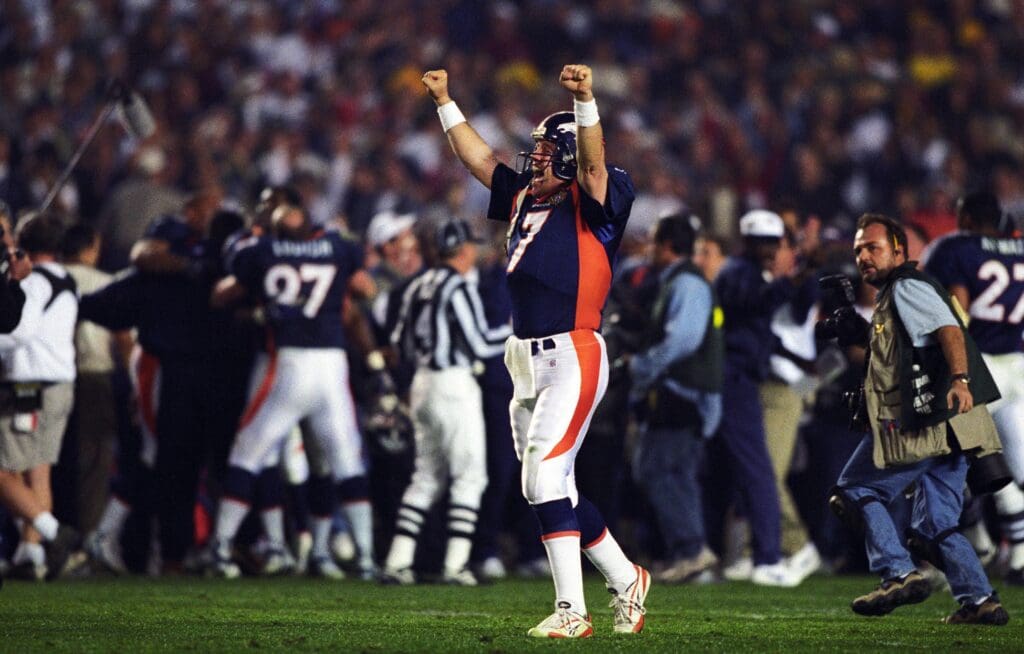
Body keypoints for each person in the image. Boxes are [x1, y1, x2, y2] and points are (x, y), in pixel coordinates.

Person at [423, 63, 650, 638]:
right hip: (523, 356)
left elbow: (596, 164)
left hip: (573, 353)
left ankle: (573, 612)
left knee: (546, 481)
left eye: (549, 148)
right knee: (551, 486)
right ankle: (626, 580)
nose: (538, 157)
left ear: (572, 153)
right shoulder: (527, 194)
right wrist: (447, 102)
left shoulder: (598, 195)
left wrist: (587, 101)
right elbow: (479, 161)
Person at [826, 212, 1008, 625]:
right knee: (934, 524)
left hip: (928, 420)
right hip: (954, 423)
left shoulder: (906, 286)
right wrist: (861, 336)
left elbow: (948, 330)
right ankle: (980, 600)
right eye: (858, 250)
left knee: (853, 489)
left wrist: (959, 379)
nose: (863, 256)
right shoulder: (899, 293)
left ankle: (898, 572)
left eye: (873, 247)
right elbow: (908, 353)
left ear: (899, 251)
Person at [207, 202, 377, 581]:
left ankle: (220, 547)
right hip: (331, 365)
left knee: (247, 452)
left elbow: (227, 288)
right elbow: (366, 287)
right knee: (346, 459)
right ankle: (365, 557)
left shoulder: (260, 250)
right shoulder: (337, 245)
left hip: (288, 362)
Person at [381, 219, 511, 586]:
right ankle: (455, 565)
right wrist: (514, 332)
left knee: (426, 475)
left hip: (422, 383)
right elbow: (482, 345)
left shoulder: (416, 285)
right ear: (464, 249)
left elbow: (399, 344)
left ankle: (397, 561)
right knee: (471, 476)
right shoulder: (460, 286)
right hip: (454, 384)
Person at [922, 190, 1024, 583]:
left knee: (953, 461)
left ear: (966, 217)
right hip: (1018, 362)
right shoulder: (1017, 248)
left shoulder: (956, 248)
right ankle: (1009, 554)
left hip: (980, 368)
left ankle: (985, 543)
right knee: (1010, 468)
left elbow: (956, 311)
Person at [629, 213, 723, 583]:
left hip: (682, 393)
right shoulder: (683, 282)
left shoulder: (686, 285)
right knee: (675, 474)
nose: (649, 249)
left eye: (653, 241)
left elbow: (682, 341)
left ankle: (691, 549)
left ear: (668, 246)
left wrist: (641, 366)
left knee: (658, 470)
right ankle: (691, 552)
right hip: (687, 393)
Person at [714, 209, 804, 586]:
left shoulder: (749, 273)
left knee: (745, 471)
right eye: (763, 242)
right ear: (748, 243)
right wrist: (790, 281)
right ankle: (767, 557)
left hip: (740, 379)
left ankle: (753, 555)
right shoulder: (738, 273)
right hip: (732, 380)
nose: (770, 249)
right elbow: (751, 305)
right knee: (758, 470)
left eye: (775, 242)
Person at [0, 212, 80, 580]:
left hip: (29, 388)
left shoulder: (33, 283)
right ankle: (31, 555)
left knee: (5, 470)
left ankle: (52, 534)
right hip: (60, 385)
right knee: (39, 474)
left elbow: (20, 331)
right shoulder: (67, 278)